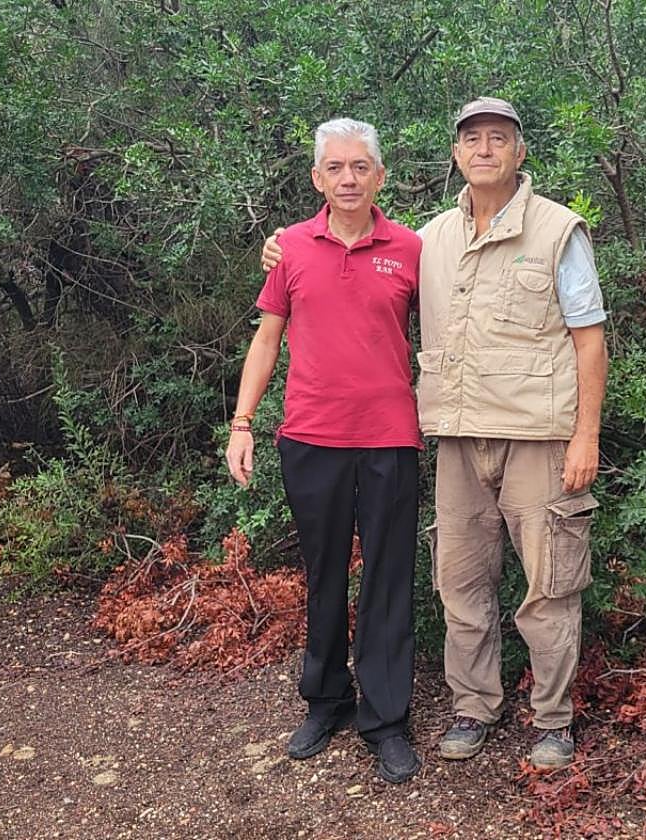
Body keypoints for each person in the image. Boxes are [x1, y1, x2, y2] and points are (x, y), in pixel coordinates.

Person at [262, 97, 607, 770]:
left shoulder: (560, 231)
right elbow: (354, 266)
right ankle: (474, 706)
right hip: (455, 438)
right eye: (471, 139)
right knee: (461, 583)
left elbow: (590, 342)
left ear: (519, 151)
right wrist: (283, 245)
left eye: (498, 138)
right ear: (455, 155)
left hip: (537, 437)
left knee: (549, 586)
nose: (484, 149)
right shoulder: (430, 241)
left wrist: (585, 437)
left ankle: (552, 721)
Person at [228, 117, 423, 784]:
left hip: (392, 437)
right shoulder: (290, 248)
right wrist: (243, 422)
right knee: (325, 575)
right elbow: (266, 338)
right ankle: (326, 700)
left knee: (389, 579)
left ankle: (387, 719)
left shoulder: (413, 248)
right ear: (317, 178)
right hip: (310, 438)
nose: (347, 177)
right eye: (334, 167)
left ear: (380, 176)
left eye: (359, 166)